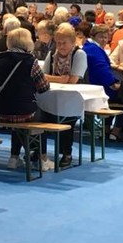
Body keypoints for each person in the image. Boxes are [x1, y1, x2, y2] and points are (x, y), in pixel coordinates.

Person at [0, 28, 51, 170]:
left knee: (16, 120)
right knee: (42, 117)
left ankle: (14, 157)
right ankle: (42, 159)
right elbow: (43, 87)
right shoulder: (31, 61)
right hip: (22, 111)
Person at [42, 23, 88, 167]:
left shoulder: (79, 54)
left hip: (74, 99)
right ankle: (39, 152)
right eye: (58, 43)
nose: (60, 46)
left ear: (73, 42)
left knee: (66, 117)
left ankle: (66, 153)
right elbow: (42, 76)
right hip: (52, 97)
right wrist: (60, 79)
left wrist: (52, 78)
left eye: (64, 43)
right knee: (39, 115)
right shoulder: (51, 53)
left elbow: (73, 80)